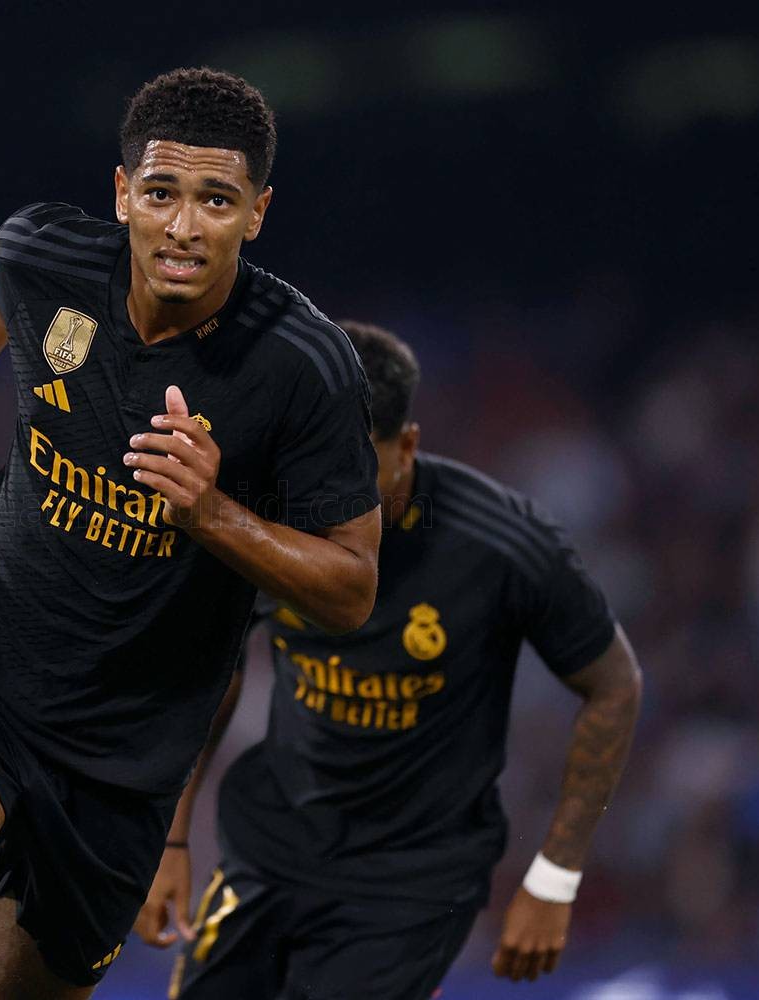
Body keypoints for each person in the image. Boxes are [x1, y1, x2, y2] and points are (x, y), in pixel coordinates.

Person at [0, 68, 383, 1000]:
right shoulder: (54, 257)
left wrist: (212, 514)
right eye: (160, 193)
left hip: (129, 747)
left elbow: (352, 589)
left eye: (216, 200)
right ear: (123, 194)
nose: (183, 226)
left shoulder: (304, 367)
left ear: (257, 213)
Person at [141, 321, 643, 999]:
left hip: (410, 885)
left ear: (407, 447)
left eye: (359, 469)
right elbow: (211, 669)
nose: (336, 492)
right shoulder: (269, 519)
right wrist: (171, 840)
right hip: (270, 852)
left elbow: (615, 685)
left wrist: (554, 879)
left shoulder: (502, 546)